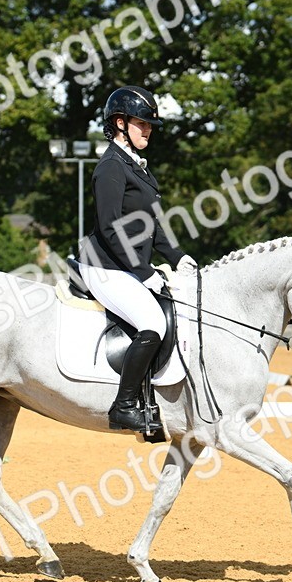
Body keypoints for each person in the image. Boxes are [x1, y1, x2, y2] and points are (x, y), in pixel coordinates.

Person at [77, 85, 197, 432]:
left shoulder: (139, 169)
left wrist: (178, 256)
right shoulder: (110, 168)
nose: (148, 130)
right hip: (104, 266)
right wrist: (143, 271)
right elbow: (111, 228)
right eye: (141, 124)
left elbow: (154, 226)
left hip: (126, 265)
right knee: (154, 323)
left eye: (149, 125)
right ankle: (124, 405)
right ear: (119, 123)